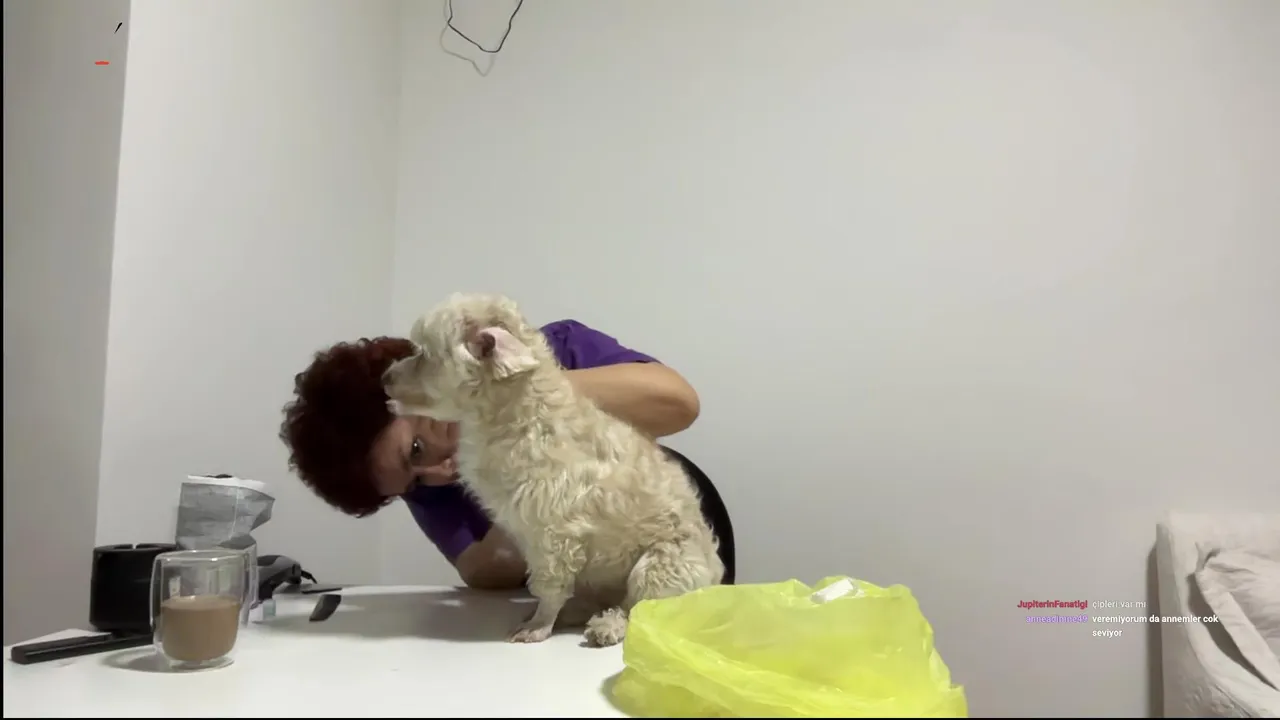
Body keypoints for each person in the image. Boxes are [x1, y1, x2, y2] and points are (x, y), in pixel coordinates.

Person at [281, 319, 723, 590]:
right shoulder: (432, 483)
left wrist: (520, 398)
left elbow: (678, 404)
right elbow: (483, 571)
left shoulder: (559, 350)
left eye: (416, 449)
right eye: (412, 483)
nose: (441, 472)